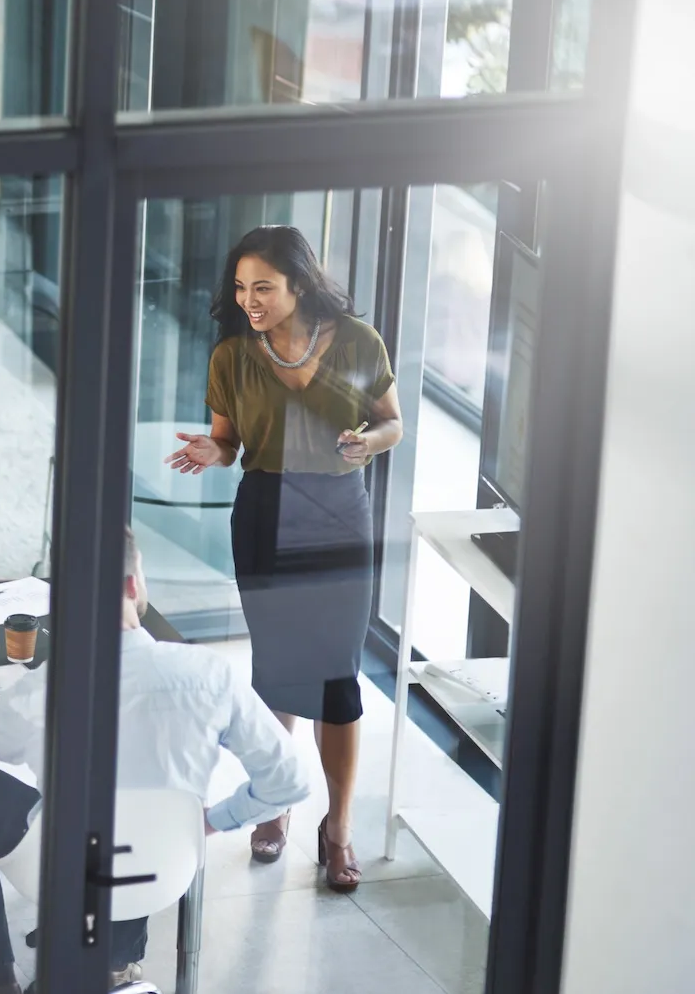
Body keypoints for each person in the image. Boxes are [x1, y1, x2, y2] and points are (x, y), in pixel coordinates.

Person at [0, 529, 308, 994]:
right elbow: (290, 781)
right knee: (138, 792)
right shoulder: (209, 673)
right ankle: (113, 965)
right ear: (131, 586)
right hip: (164, 867)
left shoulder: (50, 682)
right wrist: (211, 821)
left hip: (56, 867)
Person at [164, 225, 403, 892]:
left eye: (263, 287)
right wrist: (215, 451)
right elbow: (229, 442)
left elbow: (394, 421)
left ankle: (339, 828)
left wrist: (369, 443)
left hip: (339, 515)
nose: (249, 300)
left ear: (300, 283)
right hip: (265, 512)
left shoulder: (358, 340)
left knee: (339, 680)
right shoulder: (233, 354)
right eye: (241, 288)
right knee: (276, 670)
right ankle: (277, 799)